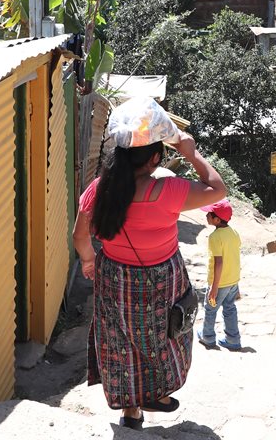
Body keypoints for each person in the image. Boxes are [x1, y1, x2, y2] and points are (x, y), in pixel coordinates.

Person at [72, 98, 227, 430]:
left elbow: (79, 237)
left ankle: (130, 410)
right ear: (156, 157)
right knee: (164, 333)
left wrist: (88, 261)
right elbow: (217, 189)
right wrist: (191, 152)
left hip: (113, 275)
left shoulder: (99, 189)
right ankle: (154, 391)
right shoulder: (169, 189)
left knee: (120, 342)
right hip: (162, 277)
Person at [196, 199, 242, 351]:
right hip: (232, 281)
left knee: (210, 309)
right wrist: (237, 284)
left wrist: (214, 287)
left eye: (209, 214)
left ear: (217, 219)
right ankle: (233, 339)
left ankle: (208, 337)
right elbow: (235, 257)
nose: (207, 216)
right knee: (229, 308)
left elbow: (219, 263)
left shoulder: (215, 237)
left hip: (220, 283)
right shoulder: (234, 233)